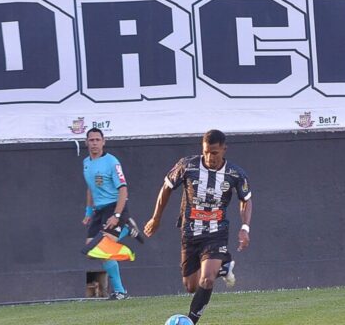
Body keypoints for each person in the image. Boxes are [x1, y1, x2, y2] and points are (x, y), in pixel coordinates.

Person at [143, 130, 253, 325]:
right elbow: (166, 188)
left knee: (207, 279)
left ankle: (191, 321)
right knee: (191, 286)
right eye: (206, 152)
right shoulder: (187, 165)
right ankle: (223, 268)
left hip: (216, 233)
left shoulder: (235, 173)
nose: (210, 157)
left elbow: (246, 200)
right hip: (190, 233)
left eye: (215, 153)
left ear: (224, 149)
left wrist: (245, 227)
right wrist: (156, 218)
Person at [82, 128, 144, 301]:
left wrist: (116, 215)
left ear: (104, 142)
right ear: (86, 142)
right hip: (98, 211)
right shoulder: (86, 163)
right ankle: (127, 229)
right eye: (91, 140)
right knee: (93, 251)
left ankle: (119, 292)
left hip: (114, 208)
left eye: (97, 140)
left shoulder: (112, 162)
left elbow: (123, 189)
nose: (94, 143)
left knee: (104, 246)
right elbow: (90, 188)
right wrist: (88, 211)